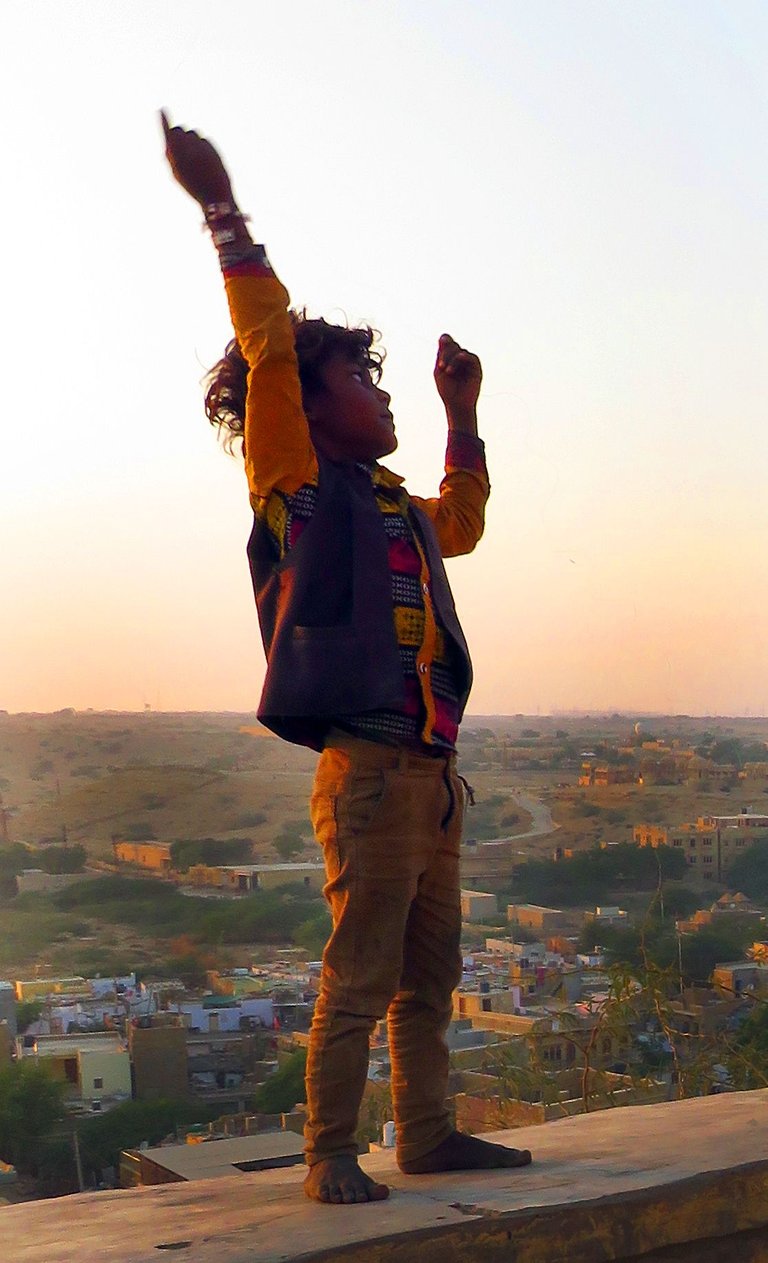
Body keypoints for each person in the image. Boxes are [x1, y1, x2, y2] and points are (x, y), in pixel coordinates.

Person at [162, 113, 532, 1205]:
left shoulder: (395, 511)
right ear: (314, 411)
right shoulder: (301, 490)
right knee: (361, 974)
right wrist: (224, 213)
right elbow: (270, 340)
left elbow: (461, 519)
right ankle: (330, 1153)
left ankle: (428, 1135)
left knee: (431, 975)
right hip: (369, 775)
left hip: (430, 775)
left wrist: (464, 413)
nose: (382, 397)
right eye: (364, 385)